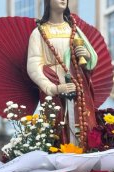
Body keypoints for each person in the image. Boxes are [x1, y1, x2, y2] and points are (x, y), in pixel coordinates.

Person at [27, 0, 98, 145]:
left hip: (78, 85)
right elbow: (34, 65)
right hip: (54, 84)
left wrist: (86, 54)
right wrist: (54, 88)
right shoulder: (39, 33)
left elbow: (89, 61)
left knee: (84, 126)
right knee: (59, 130)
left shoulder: (73, 29)